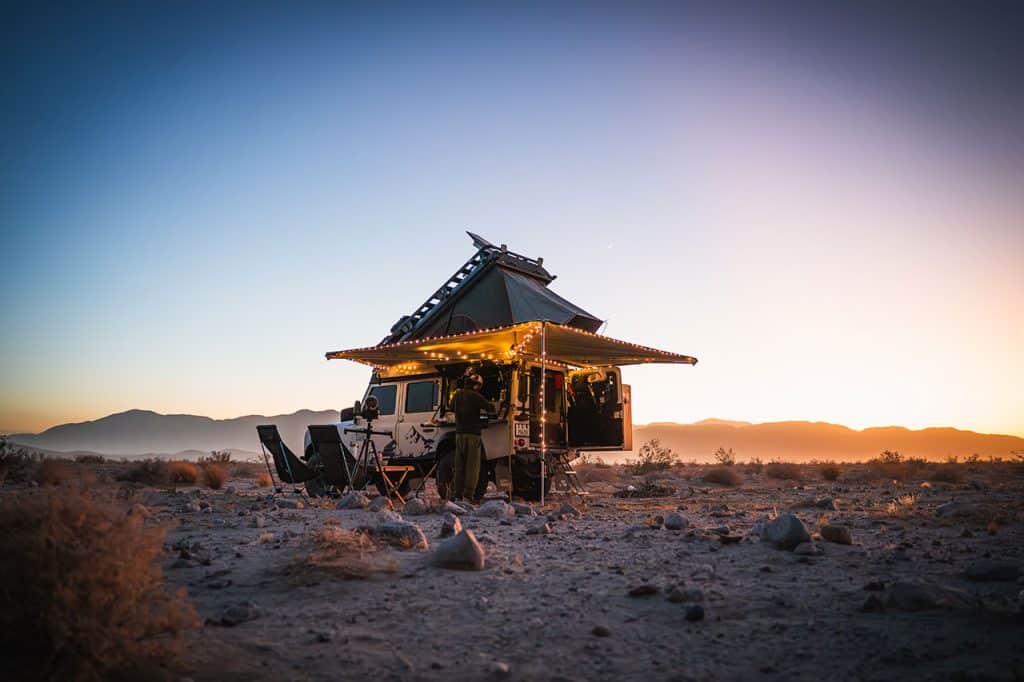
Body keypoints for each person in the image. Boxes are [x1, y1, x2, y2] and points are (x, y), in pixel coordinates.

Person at [450, 373, 490, 502]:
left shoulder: (457, 395)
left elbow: (450, 408)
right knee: (472, 466)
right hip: (473, 435)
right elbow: (490, 408)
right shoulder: (476, 396)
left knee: (459, 465)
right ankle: (468, 494)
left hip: (459, 434)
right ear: (476, 385)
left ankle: (457, 494)